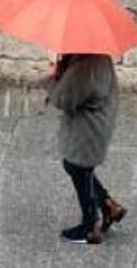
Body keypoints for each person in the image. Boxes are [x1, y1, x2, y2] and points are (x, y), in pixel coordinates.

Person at [48, 53, 126, 244]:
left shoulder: (85, 67)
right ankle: (108, 206)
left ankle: (90, 227)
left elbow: (62, 98)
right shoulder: (99, 57)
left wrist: (53, 79)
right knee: (76, 166)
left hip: (87, 130)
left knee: (78, 168)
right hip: (96, 124)